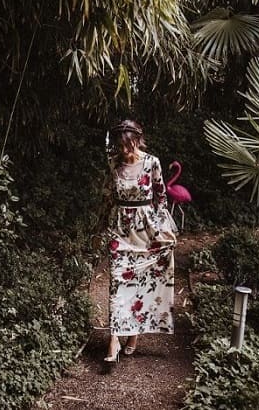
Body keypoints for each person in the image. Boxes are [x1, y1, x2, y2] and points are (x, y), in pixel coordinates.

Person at [95, 119, 178, 363]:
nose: (124, 150)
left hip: (145, 231)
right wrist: (97, 230)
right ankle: (113, 340)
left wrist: (162, 230)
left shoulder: (152, 162)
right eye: (120, 146)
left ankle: (132, 336)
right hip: (119, 231)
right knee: (117, 282)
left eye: (128, 145)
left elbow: (161, 198)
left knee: (140, 285)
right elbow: (106, 198)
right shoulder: (113, 164)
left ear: (137, 140)